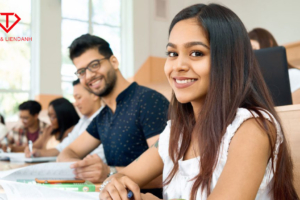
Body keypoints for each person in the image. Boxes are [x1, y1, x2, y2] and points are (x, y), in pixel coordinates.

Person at [99, 4, 299, 200]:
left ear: (228, 60)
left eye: (196, 53)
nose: (178, 65)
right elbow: (121, 177)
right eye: (172, 53)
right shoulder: (175, 134)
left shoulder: (251, 127)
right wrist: (114, 185)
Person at [57, 34, 169, 196]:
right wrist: (84, 169)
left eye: (94, 65)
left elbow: (167, 172)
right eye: (81, 72)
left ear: (114, 62)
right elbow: (65, 154)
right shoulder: (102, 116)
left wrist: (109, 173)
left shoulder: (148, 101)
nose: (88, 76)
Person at [24, 79, 106, 163]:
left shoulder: (106, 121)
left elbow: (95, 159)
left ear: (95, 95)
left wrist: (66, 156)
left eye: (79, 97)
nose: (75, 103)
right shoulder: (83, 120)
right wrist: (39, 153)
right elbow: (63, 148)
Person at [248, 28, 300, 93]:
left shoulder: (293, 74)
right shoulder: (256, 83)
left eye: (254, 49)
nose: (252, 56)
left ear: (270, 43)